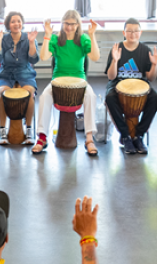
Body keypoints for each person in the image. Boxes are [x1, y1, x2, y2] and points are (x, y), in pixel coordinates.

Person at [32, 10, 101, 156]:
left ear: (77, 25)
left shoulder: (83, 39)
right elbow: (44, 56)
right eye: (66, 24)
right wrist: (47, 35)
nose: (69, 27)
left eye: (72, 24)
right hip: (58, 81)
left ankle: (89, 138)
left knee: (91, 96)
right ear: (62, 23)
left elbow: (95, 57)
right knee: (44, 97)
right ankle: (42, 138)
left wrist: (92, 35)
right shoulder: (56, 39)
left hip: (79, 81)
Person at [104, 18, 157, 154]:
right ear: (124, 32)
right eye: (129, 31)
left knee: (154, 97)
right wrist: (115, 60)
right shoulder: (116, 48)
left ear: (140, 33)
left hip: (140, 84)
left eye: (136, 31)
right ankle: (125, 136)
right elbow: (111, 77)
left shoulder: (145, 50)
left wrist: (154, 64)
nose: (132, 34)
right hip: (118, 83)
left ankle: (138, 135)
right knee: (110, 97)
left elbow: (151, 78)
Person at [0, 11, 40, 145]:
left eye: (19, 21)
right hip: (6, 74)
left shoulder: (29, 37)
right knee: (2, 94)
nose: (16, 24)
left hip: (25, 73)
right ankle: (2, 131)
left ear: (22, 23)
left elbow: (33, 59)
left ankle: (29, 130)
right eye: (13, 21)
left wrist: (31, 43)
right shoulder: (3, 38)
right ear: (8, 24)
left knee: (29, 94)